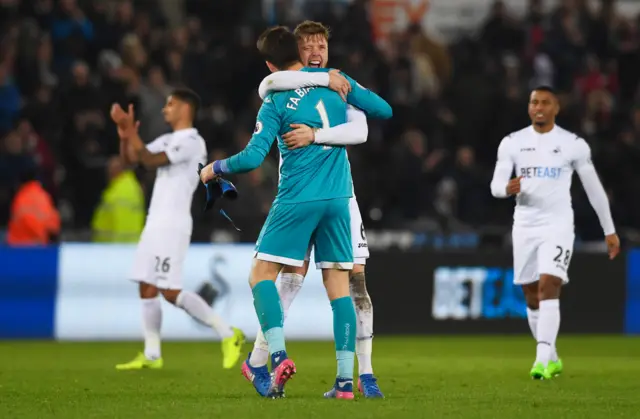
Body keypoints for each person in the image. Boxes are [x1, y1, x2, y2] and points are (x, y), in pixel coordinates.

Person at [199, 26, 391, 399]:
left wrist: (214, 168)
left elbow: (254, 157)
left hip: (298, 198)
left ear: (270, 64)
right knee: (341, 289)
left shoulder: (274, 99)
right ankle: (344, 384)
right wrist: (340, 87)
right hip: (339, 200)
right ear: (301, 54)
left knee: (261, 276)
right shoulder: (337, 84)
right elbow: (384, 110)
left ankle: (279, 356)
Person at [109, 88, 245, 371]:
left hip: (173, 223)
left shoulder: (193, 142)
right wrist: (125, 136)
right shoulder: (167, 139)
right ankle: (151, 354)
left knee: (170, 291)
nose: (164, 109)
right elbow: (130, 161)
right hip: (154, 222)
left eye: (170, 104)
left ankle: (228, 333)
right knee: (146, 286)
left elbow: (149, 160)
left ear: (185, 108)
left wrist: (131, 134)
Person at [489, 86, 620, 380]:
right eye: (534, 101)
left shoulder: (572, 144)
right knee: (531, 294)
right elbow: (496, 185)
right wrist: (505, 189)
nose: (539, 107)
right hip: (524, 224)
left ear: (556, 108)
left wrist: (609, 230)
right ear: (529, 107)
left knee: (550, 283)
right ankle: (553, 357)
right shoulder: (512, 142)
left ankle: (540, 359)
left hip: (558, 224)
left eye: (545, 103)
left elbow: (594, 188)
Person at [91, 155, 145, 243]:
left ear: (118, 169)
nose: (108, 173)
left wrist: (117, 251)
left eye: (110, 169)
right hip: (121, 248)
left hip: (119, 249)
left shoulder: (122, 191)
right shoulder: (124, 187)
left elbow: (123, 227)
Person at [6, 167, 60, 246]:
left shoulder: (20, 197)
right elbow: (54, 225)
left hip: (18, 247)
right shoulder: (44, 196)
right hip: (40, 246)